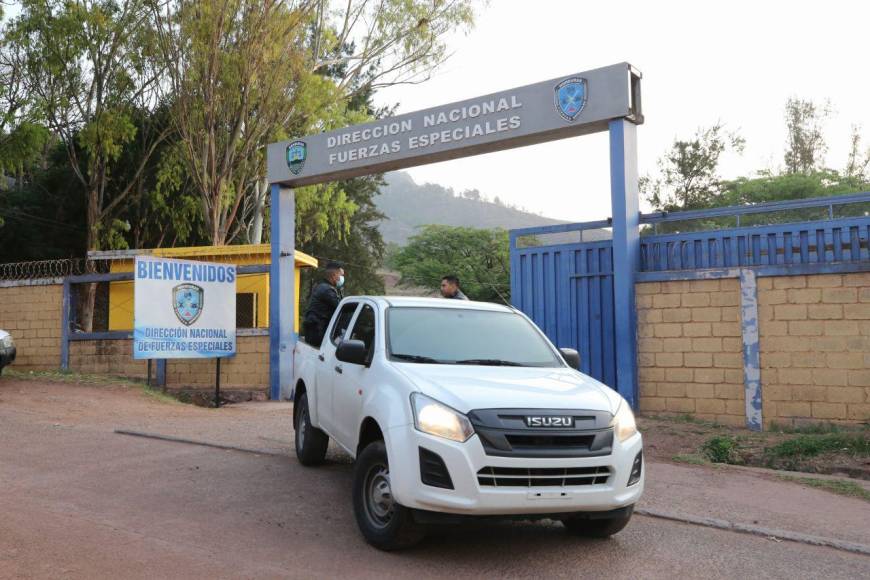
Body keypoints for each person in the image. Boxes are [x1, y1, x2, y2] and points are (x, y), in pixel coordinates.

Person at [302, 261, 345, 346]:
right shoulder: (327, 290)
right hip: (318, 334)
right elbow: (342, 308)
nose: (342, 278)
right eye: (341, 275)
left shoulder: (324, 287)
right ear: (334, 276)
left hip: (316, 332)